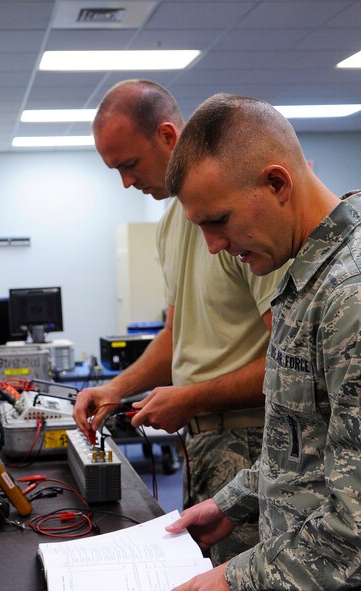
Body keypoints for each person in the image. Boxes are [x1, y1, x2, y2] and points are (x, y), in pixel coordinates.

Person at [163, 92, 361, 590]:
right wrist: (236, 501)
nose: (214, 245)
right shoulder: (311, 277)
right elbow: (307, 441)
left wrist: (238, 579)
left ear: (277, 183)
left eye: (218, 221)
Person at [72, 79, 288, 565]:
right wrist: (117, 388)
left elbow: (289, 363)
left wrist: (189, 397)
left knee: (240, 576)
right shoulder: (174, 221)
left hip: (252, 444)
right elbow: (177, 333)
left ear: (168, 137)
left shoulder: (240, 218)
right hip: (203, 440)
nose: (125, 183)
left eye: (128, 164)